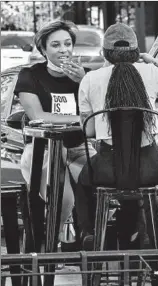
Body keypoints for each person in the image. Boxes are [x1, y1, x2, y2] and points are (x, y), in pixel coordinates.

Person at [76, 22, 158, 247]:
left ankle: (89, 232)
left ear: (104, 53)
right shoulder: (151, 72)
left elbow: (89, 130)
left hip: (106, 169)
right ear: (136, 51)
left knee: (82, 183)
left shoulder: (90, 79)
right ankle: (156, 241)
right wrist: (157, 64)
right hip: (149, 168)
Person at [14, 20, 96, 241]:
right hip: (43, 148)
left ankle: (91, 240)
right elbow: (38, 117)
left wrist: (84, 81)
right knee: (63, 197)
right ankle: (53, 239)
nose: (63, 50)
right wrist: (81, 119)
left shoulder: (86, 76)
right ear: (43, 49)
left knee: (101, 183)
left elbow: (101, 113)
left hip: (79, 147)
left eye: (67, 44)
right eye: (56, 45)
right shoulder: (30, 75)